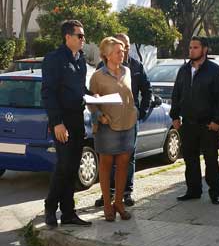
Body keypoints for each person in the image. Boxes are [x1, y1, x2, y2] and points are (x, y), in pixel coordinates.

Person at [41, 20, 92, 227]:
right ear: (68, 37)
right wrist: (56, 123)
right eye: (79, 36)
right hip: (62, 120)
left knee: (73, 167)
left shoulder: (80, 60)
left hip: (77, 119)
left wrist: (92, 95)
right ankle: (50, 207)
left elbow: (80, 89)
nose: (83, 40)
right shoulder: (54, 59)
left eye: (83, 36)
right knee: (63, 165)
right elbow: (48, 93)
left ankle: (69, 212)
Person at [170, 36, 219, 204]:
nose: (191, 50)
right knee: (190, 159)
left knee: (211, 160)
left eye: (195, 47)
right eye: (190, 47)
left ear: (205, 49)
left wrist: (217, 121)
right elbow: (177, 94)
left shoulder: (215, 71)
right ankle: (193, 190)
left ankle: (215, 192)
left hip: (208, 125)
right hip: (188, 124)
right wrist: (175, 116)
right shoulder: (184, 70)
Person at [94, 33, 152, 207]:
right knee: (108, 159)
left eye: (126, 46)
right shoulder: (100, 68)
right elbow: (94, 95)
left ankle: (126, 193)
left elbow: (147, 91)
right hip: (108, 121)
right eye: (120, 47)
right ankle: (108, 194)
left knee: (128, 158)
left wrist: (141, 112)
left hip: (129, 121)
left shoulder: (135, 67)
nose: (124, 50)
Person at [89, 37, 137, 221]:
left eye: (123, 51)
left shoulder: (127, 71)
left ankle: (119, 202)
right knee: (106, 166)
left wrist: (134, 111)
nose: (122, 53)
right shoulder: (97, 76)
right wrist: (99, 116)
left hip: (127, 125)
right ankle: (107, 205)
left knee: (124, 165)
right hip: (107, 127)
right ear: (107, 55)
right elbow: (91, 103)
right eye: (118, 51)